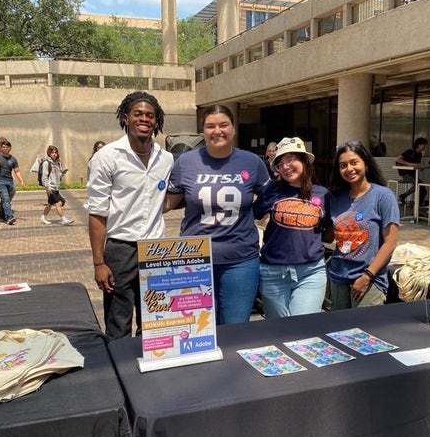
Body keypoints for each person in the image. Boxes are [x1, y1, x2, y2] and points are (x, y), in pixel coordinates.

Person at [166, 104, 270, 325]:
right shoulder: (186, 162)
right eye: (210, 126)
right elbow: (166, 203)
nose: (217, 131)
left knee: (235, 328)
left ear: (233, 129)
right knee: (196, 327)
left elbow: (270, 201)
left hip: (240, 260)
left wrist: (262, 226)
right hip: (194, 259)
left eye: (224, 125)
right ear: (203, 131)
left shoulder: (252, 162)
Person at [87, 91, 173, 340]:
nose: (144, 118)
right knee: (118, 320)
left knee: (155, 319)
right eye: (138, 114)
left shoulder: (166, 159)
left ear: (156, 121)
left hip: (156, 249)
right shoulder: (107, 157)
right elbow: (97, 213)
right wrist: (98, 262)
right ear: (126, 118)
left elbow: (166, 199)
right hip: (120, 248)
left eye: (150, 115)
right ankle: (120, 370)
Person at [253, 136, 331, 319]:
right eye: (281, 163)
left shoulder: (323, 194)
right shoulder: (270, 190)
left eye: (291, 159)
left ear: (304, 160)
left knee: (301, 328)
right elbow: (250, 217)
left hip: (311, 272)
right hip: (272, 273)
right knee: (279, 330)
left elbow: (329, 233)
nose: (286, 167)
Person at [326, 141, 399, 309]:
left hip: (369, 280)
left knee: (367, 332)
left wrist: (367, 276)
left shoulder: (383, 196)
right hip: (338, 277)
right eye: (343, 165)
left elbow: (390, 243)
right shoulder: (335, 198)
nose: (349, 169)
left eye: (354, 162)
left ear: (365, 164)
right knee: (339, 332)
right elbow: (329, 236)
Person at [40, 145, 74, 226]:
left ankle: (43, 217)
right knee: (58, 203)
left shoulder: (58, 163)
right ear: (49, 153)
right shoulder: (46, 163)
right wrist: (47, 188)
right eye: (52, 152)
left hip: (56, 187)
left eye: (55, 152)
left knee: (51, 203)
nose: (54, 154)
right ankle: (64, 219)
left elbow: (58, 176)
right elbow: (44, 176)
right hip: (50, 188)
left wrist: (62, 173)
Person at [395, 137, 429, 205]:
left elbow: (416, 164)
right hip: (405, 173)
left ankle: (416, 208)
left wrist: (420, 166)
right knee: (420, 186)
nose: (425, 146)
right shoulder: (410, 151)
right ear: (419, 145)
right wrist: (410, 164)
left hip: (413, 173)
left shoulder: (420, 154)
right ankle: (404, 197)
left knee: (422, 189)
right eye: (423, 144)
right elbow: (398, 159)